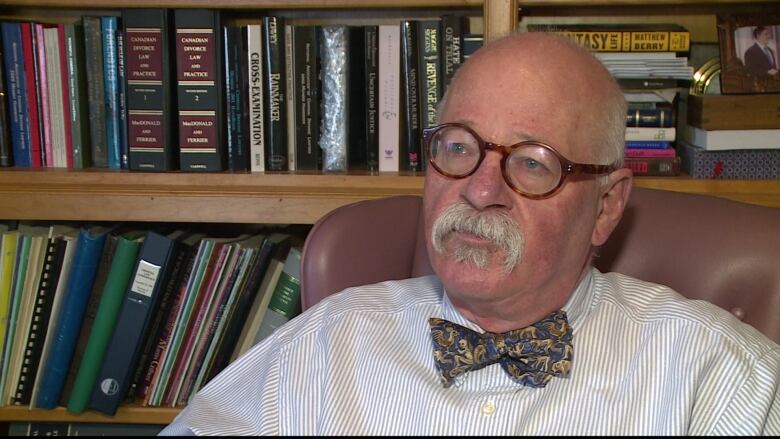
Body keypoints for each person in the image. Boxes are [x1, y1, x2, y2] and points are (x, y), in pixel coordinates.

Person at [160, 32, 780, 435]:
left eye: (532, 163)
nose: (480, 190)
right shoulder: (326, 346)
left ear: (607, 206)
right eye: (459, 148)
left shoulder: (719, 379)